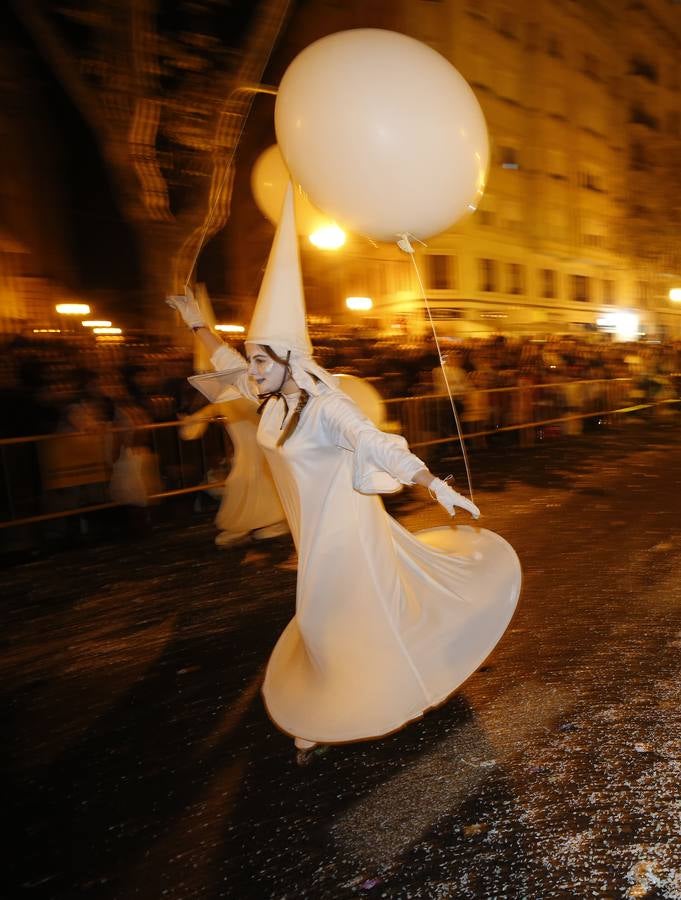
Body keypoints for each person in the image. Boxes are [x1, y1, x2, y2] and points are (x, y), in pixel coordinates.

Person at [168, 184, 521, 764]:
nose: (253, 369)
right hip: (313, 535)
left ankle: (364, 698)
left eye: (263, 359)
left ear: (290, 361)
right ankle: (339, 702)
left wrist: (434, 485)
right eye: (254, 359)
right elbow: (228, 368)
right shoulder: (275, 402)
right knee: (332, 621)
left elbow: (376, 444)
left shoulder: (328, 407)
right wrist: (198, 326)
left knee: (338, 619)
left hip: (347, 536)